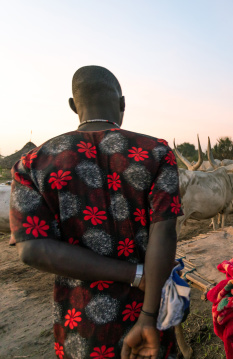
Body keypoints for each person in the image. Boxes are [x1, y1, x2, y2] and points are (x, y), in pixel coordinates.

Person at [10, 65, 182, 359]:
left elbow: (32, 250)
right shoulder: (157, 152)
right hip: (149, 312)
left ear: (73, 105)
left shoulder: (32, 164)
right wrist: (148, 316)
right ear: (123, 104)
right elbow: (164, 233)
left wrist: (133, 274)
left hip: (81, 326)